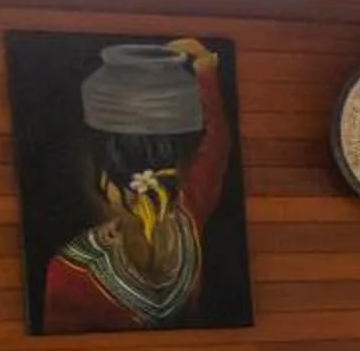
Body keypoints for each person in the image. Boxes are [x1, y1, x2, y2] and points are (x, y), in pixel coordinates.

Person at [40, 38, 232, 333]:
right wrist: (205, 67)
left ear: (105, 182)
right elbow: (217, 145)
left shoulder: (70, 273)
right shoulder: (190, 214)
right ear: (169, 173)